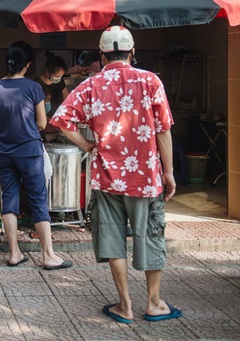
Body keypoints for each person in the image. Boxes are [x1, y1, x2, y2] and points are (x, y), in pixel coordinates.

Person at [50, 26, 182, 324]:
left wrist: (86, 144)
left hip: (106, 177)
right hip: (145, 179)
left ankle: (124, 306)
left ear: (101, 54)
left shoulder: (90, 84)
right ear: (132, 52)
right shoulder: (150, 81)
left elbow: (61, 120)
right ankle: (154, 303)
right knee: (149, 236)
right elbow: (163, 130)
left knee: (112, 240)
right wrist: (169, 172)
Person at [0, 41, 72, 270]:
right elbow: (42, 123)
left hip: (4, 152)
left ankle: (14, 253)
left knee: (10, 200)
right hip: (30, 152)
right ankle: (48, 256)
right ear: (27, 64)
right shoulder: (33, 88)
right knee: (38, 200)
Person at [35, 51, 69, 141]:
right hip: (43, 128)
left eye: (61, 76)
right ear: (47, 72)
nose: (59, 78)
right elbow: (38, 116)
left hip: (57, 123)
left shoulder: (60, 82)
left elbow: (66, 97)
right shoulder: (36, 85)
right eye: (57, 76)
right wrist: (54, 127)